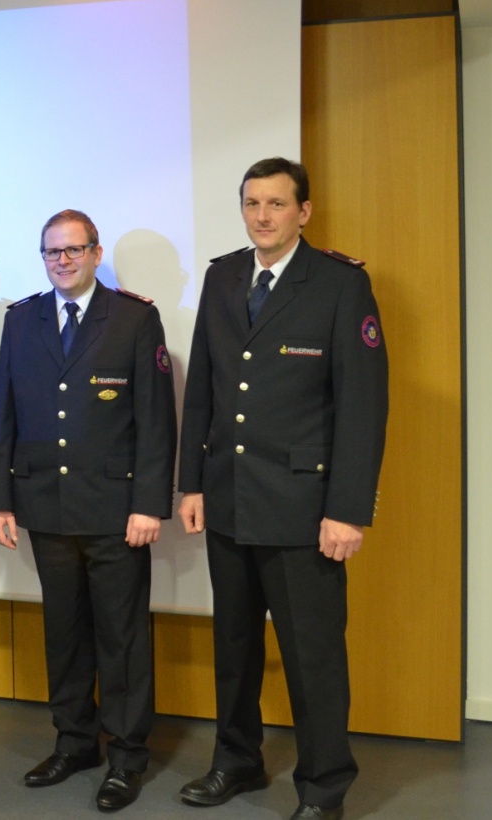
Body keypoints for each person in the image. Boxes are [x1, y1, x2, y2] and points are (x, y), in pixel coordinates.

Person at [176, 158, 388, 820]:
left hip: (303, 508)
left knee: (312, 658)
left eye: (275, 203)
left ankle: (323, 789)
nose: (262, 215)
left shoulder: (339, 284)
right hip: (229, 498)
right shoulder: (223, 276)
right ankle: (236, 760)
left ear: (304, 212)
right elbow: (204, 387)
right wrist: (191, 484)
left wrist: (347, 510)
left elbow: (363, 406)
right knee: (234, 650)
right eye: (251, 203)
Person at [0, 210, 175, 812]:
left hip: (116, 511)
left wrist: (149, 504)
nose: (62, 261)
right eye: (52, 252)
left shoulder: (134, 318)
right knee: (63, 634)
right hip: (46, 504)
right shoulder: (22, 319)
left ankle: (127, 756)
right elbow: (3, 413)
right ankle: (74, 742)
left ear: (95, 253)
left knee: (121, 639)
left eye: (74, 250)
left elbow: (156, 420)